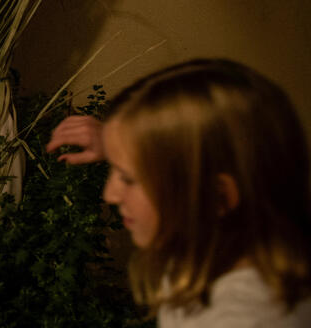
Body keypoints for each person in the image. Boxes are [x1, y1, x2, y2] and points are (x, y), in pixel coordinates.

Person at [47, 59, 311, 327]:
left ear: (214, 196)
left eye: (127, 178)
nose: (110, 195)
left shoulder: (240, 320)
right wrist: (118, 144)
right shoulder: (212, 241)